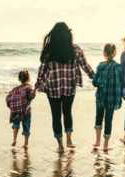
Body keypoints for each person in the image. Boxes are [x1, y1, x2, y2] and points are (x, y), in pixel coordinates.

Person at [34, 22, 95, 153]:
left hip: (53, 88)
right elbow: (85, 66)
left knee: (56, 116)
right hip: (69, 87)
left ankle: (61, 146)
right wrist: (95, 78)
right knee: (67, 112)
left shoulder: (49, 50)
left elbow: (42, 69)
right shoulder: (76, 49)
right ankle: (69, 141)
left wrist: (36, 85)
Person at [92, 43, 124, 150]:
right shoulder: (120, 68)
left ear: (104, 53)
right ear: (115, 54)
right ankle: (105, 144)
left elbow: (94, 83)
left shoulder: (101, 66)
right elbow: (122, 83)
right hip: (112, 99)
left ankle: (97, 141)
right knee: (108, 120)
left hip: (101, 97)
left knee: (99, 117)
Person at [6, 70, 36, 149]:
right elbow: (32, 96)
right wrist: (35, 88)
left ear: (19, 79)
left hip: (16, 111)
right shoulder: (28, 87)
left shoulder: (16, 89)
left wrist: (12, 107)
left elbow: (8, 98)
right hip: (26, 110)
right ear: (29, 79)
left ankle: (14, 139)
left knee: (15, 125)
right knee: (26, 126)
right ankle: (26, 144)